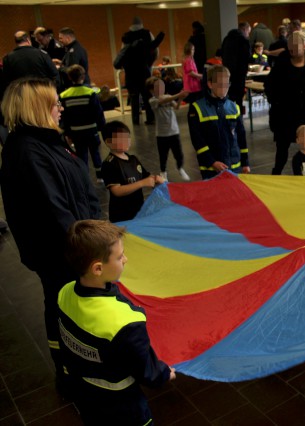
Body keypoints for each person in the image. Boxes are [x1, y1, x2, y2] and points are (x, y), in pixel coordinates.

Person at [0, 77, 101, 393]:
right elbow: (55, 211)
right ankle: (69, 370)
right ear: (36, 108)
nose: (60, 107)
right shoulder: (29, 151)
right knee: (62, 308)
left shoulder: (46, 142)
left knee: (67, 306)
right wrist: (91, 245)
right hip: (62, 252)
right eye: (54, 102)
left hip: (74, 244)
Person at [59, 219, 176, 424]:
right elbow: (146, 371)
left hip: (86, 396)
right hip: (123, 407)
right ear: (97, 268)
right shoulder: (125, 321)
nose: (126, 260)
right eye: (120, 256)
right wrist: (165, 374)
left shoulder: (64, 293)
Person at [264, 30, 305, 175]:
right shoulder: (282, 63)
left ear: (304, 45)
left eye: (295, 46)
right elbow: (269, 85)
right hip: (285, 115)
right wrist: (275, 101)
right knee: (281, 149)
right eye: (289, 46)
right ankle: (276, 176)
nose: (291, 49)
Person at [187, 65, 250, 180]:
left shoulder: (234, 107)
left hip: (234, 167)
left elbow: (241, 136)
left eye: (227, 84)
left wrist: (245, 162)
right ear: (210, 84)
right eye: (220, 85)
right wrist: (212, 162)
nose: (224, 88)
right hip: (211, 169)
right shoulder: (197, 108)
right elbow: (198, 141)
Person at [101, 120, 165, 222]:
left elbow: (146, 176)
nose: (127, 141)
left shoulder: (133, 159)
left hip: (137, 210)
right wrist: (142, 183)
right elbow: (117, 191)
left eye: (127, 137)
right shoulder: (109, 164)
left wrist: (156, 178)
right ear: (109, 142)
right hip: (121, 215)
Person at [60, 64, 105, 182]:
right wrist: (102, 127)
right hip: (91, 129)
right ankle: (100, 177)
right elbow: (98, 112)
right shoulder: (90, 92)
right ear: (83, 77)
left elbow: (64, 116)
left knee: (81, 154)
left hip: (76, 131)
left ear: (69, 77)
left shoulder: (64, 95)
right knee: (95, 152)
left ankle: (84, 177)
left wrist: (67, 132)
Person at [119, 17, 164, 125]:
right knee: (147, 95)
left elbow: (122, 53)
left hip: (130, 72)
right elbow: (155, 51)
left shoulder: (126, 37)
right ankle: (150, 118)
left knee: (134, 97)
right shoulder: (147, 34)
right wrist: (150, 64)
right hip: (144, 70)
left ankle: (135, 120)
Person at [146, 76, 190, 182]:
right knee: (163, 156)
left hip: (174, 131)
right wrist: (178, 95)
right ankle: (163, 172)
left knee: (179, 154)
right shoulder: (152, 100)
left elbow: (177, 107)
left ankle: (180, 168)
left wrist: (180, 99)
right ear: (152, 90)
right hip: (161, 134)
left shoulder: (169, 96)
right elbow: (163, 100)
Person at [1, 31, 58, 98]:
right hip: (43, 94)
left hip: (22, 97)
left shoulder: (7, 58)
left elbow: (6, 82)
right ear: (28, 40)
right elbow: (54, 74)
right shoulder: (42, 54)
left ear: (16, 42)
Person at [221, 22, 252, 109]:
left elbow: (222, 53)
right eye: (248, 32)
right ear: (245, 29)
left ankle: (229, 114)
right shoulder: (243, 40)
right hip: (239, 73)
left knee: (229, 94)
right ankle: (238, 117)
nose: (248, 35)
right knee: (239, 97)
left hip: (227, 71)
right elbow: (248, 57)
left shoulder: (226, 39)